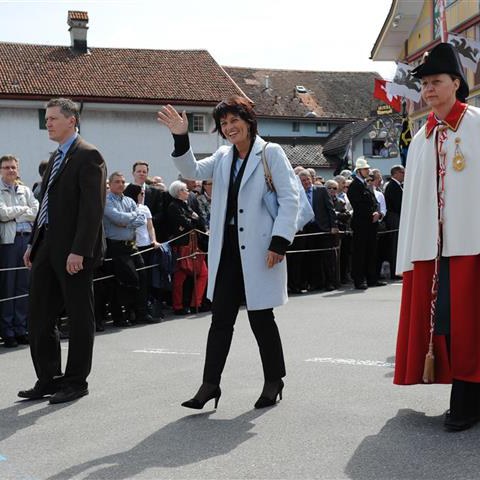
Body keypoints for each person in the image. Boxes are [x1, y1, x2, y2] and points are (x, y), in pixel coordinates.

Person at [157, 96, 299, 409]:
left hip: (261, 246)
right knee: (220, 319)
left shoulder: (270, 152)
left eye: (234, 120)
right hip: (227, 247)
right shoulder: (223, 156)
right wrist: (181, 135)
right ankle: (210, 385)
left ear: (249, 122)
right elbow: (190, 169)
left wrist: (279, 242)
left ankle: (274, 380)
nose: (229, 127)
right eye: (224, 124)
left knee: (261, 317)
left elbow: (290, 199)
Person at [394, 43, 480, 432]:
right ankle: (464, 396)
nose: (429, 89)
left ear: (456, 84)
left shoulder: (476, 125)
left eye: (436, 82)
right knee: (447, 323)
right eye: (425, 83)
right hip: (436, 249)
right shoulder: (422, 137)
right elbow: (415, 201)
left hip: (473, 243)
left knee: (470, 322)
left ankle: (467, 400)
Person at [19, 97, 106, 404]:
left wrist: (80, 250)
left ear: (72, 120)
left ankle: (76, 381)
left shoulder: (88, 155)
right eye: (46, 118)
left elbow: (92, 209)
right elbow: (46, 205)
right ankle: (48, 378)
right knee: (39, 315)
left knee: (80, 315)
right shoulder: (56, 157)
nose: (48, 123)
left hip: (73, 252)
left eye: (53, 118)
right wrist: (33, 242)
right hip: (46, 247)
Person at [103, 172, 151, 326]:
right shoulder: (106, 201)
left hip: (131, 244)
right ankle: (119, 317)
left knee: (142, 276)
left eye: (123, 181)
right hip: (116, 246)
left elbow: (141, 219)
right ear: (110, 184)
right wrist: (132, 216)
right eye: (117, 181)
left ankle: (140, 313)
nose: (121, 184)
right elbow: (117, 218)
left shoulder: (129, 200)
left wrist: (127, 220)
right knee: (122, 281)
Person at [0, 155, 38, 348]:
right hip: (9, 242)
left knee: (23, 287)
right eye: (6, 167)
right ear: (1, 170)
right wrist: (22, 210)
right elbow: (2, 213)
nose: (10, 171)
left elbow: (36, 210)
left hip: (27, 240)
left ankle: (21, 328)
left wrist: (15, 212)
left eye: (13, 167)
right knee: (8, 286)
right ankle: (7, 331)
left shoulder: (25, 189)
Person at [167, 180, 208, 315]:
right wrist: (192, 220)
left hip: (195, 244)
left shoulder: (186, 205)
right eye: (185, 190)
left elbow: (199, 222)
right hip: (182, 246)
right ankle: (177, 306)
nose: (188, 192)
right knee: (180, 277)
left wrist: (192, 220)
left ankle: (197, 302)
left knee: (203, 273)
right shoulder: (173, 206)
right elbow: (187, 224)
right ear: (178, 192)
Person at [347, 158, 385, 290]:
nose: (368, 171)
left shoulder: (366, 185)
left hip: (371, 224)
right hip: (361, 224)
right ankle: (359, 280)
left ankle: (371, 278)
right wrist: (371, 214)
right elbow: (358, 206)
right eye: (365, 169)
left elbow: (374, 202)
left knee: (371, 252)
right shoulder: (354, 186)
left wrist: (377, 213)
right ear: (358, 171)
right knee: (360, 253)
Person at [384, 165, 404, 280]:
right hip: (394, 217)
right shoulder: (392, 186)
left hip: (397, 216)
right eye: (402, 172)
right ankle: (394, 271)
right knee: (394, 244)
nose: (404, 175)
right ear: (395, 173)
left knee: (397, 245)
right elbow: (397, 204)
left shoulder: (398, 185)